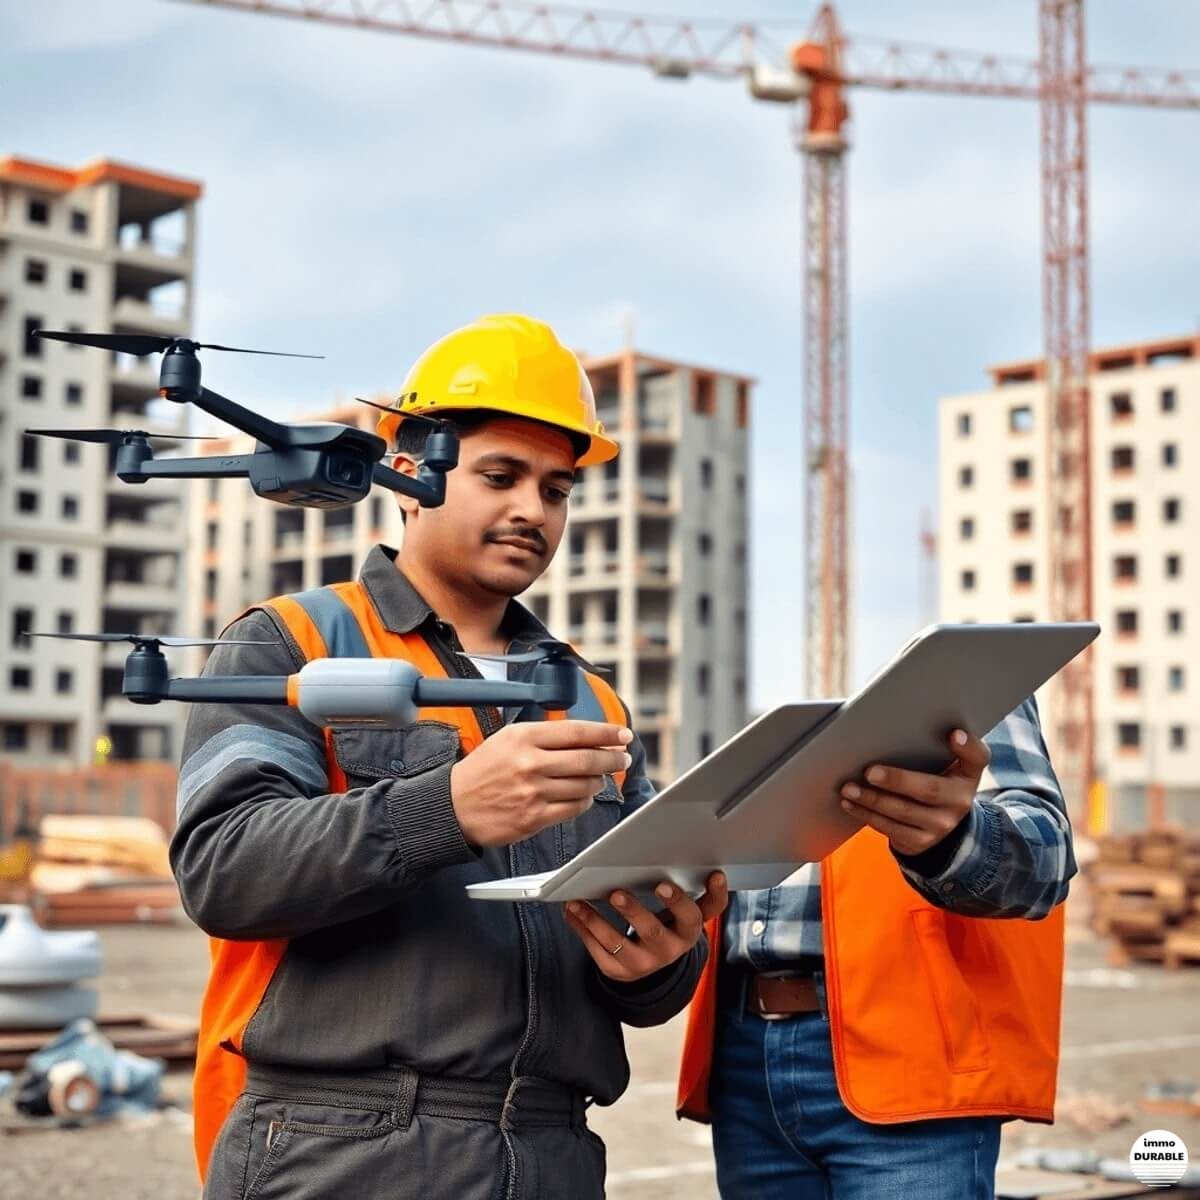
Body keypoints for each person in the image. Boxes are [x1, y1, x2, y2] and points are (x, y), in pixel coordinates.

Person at [172, 313, 727, 1199]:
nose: (530, 510)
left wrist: (662, 961)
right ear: (407, 473)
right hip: (344, 1148)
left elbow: (641, 990)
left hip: (552, 1151)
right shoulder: (293, 643)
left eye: (556, 490)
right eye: (500, 476)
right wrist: (449, 808)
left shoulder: (594, 699)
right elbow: (223, 871)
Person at [676, 699, 1076, 1199]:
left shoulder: (960, 680)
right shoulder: (751, 696)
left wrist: (955, 839)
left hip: (910, 1060)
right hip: (744, 1061)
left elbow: (1048, 860)